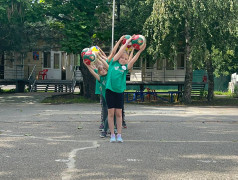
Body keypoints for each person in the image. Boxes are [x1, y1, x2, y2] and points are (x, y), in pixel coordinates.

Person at [106, 35, 146, 143]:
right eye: (122, 58)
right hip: (109, 91)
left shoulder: (124, 68)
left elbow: (133, 60)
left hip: (119, 92)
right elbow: (119, 52)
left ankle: (119, 135)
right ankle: (112, 135)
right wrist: (127, 42)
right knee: (110, 113)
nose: (123, 59)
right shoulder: (113, 63)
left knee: (119, 114)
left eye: (125, 58)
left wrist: (139, 51)